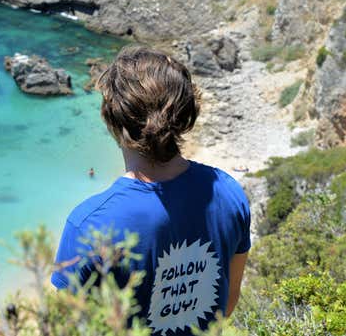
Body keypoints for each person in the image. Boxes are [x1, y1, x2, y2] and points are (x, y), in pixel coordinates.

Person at [51, 46, 251, 335]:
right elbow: (227, 304)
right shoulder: (229, 192)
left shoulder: (90, 225)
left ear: (112, 120)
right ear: (186, 114)